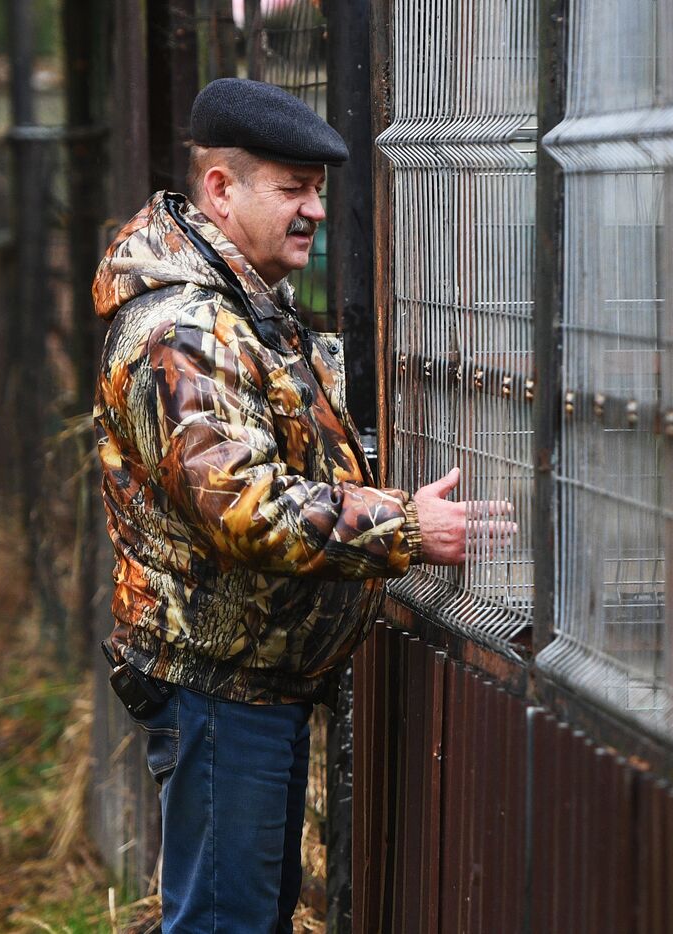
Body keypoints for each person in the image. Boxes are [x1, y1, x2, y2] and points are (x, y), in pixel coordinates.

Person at [92, 78, 509, 932]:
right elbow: (242, 506)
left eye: (318, 189)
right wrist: (402, 528)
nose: (315, 210)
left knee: (250, 915)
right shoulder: (185, 331)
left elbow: (295, 424)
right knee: (225, 922)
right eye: (292, 189)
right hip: (217, 683)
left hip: (250, 678)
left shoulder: (238, 303)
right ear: (220, 189)